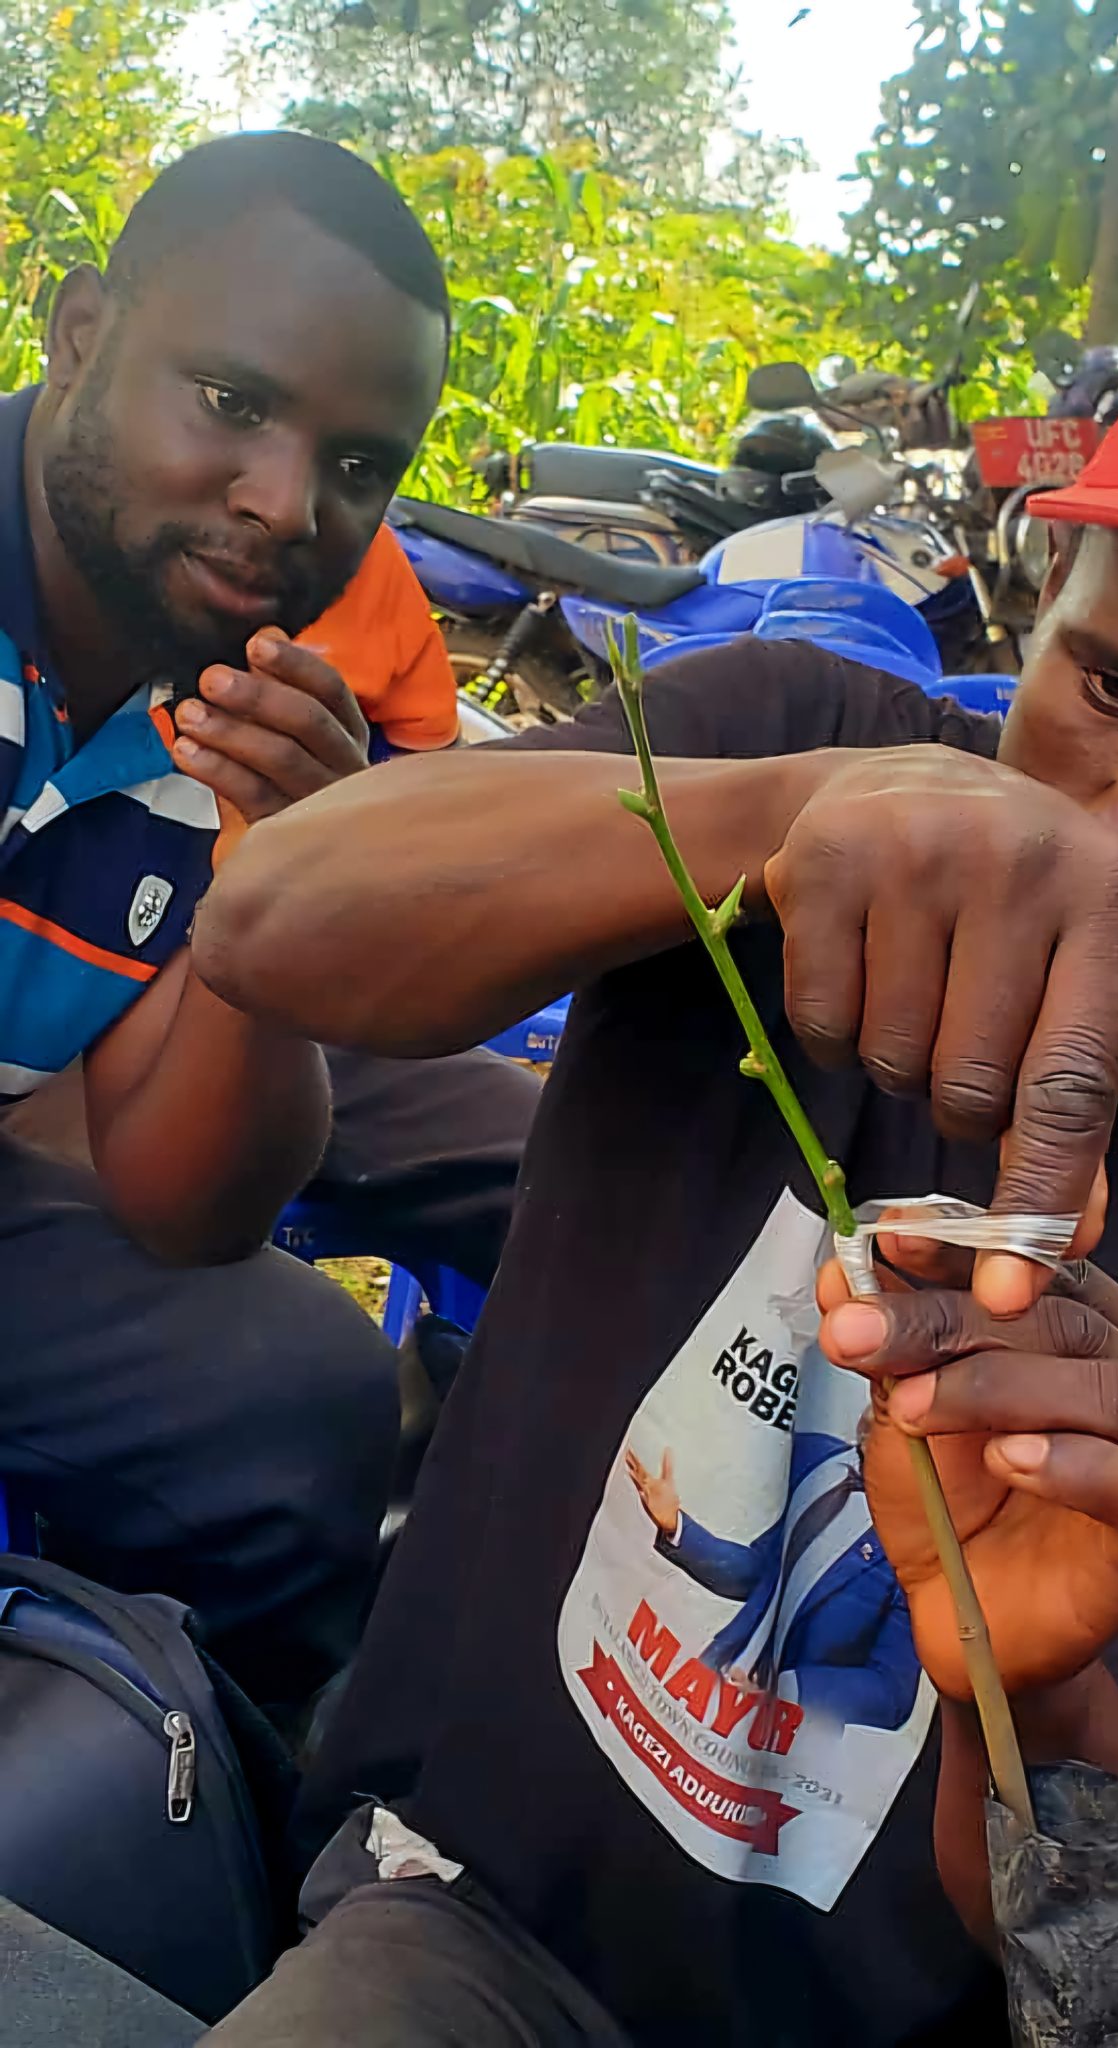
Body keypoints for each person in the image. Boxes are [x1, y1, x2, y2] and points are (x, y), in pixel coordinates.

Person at [195, 282, 1118, 2043]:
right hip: (468, 1923)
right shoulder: (775, 734)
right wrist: (777, 816)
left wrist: (1042, 1689)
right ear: (1040, 596)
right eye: (1117, 686)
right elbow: (275, 923)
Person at [0, 129, 537, 1712]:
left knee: (307, 1389)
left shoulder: (232, 688)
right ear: (84, 332)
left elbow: (185, 1206)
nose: (283, 505)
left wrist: (275, 889)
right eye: (232, 405)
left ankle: (236, 1798)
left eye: (360, 467)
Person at [625, 1412, 925, 1735]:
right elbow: (758, 1573)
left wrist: (790, 1691)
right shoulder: (817, 1457)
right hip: (710, 1682)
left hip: (786, 1737)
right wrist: (676, 1527)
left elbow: (892, 1692)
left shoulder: (921, 1548)